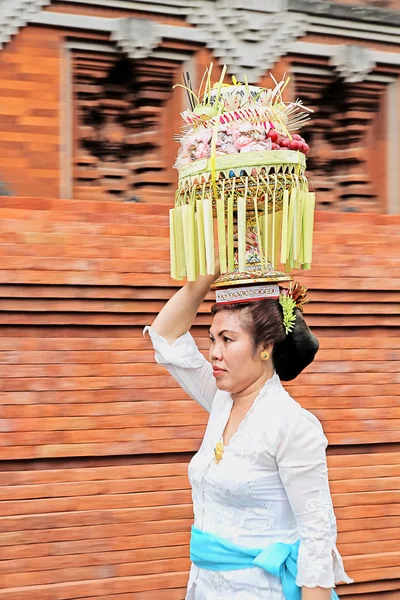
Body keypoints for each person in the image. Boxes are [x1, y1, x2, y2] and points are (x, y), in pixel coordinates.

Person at [144, 262, 353, 600]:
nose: (213, 352)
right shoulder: (221, 400)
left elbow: (318, 539)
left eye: (228, 339)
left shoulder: (291, 425)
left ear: (265, 346)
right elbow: (166, 338)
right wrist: (208, 274)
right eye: (212, 338)